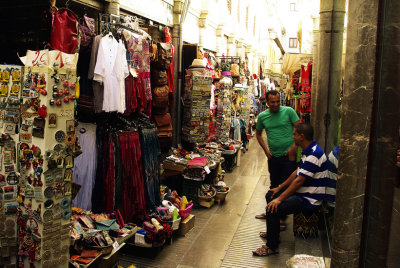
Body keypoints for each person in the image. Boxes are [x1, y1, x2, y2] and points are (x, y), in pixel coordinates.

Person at [252, 123, 328, 256]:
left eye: (294, 134)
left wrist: (280, 199)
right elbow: (296, 172)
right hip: (304, 193)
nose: (293, 137)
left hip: (309, 199)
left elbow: (299, 181)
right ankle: (273, 233)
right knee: (270, 195)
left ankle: (272, 246)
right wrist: (279, 188)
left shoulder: (314, 154)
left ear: (301, 137)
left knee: (273, 207)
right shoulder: (308, 149)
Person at [255, 90, 300, 224]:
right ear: (267, 102)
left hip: (288, 157)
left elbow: (301, 130)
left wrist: (293, 148)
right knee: (274, 184)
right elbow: (258, 134)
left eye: (277, 101)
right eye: (272, 102)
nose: (275, 104)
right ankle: (272, 211)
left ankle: (280, 217)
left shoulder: (289, 111)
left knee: (285, 186)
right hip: (273, 157)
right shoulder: (263, 116)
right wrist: (266, 151)